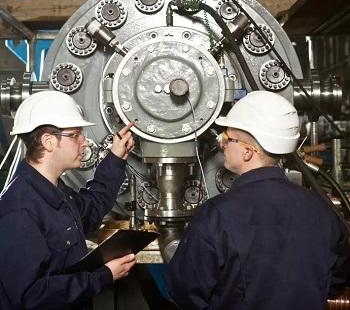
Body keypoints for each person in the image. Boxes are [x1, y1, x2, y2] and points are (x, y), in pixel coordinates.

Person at [166, 90, 350, 310]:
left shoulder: (217, 215)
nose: (223, 144)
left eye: (228, 138)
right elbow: (338, 279)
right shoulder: (321, 209)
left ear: (247, 152)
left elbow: (184, 290)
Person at [0, 90, 136, 309]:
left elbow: (91, 208)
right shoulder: (19, 210)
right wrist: (103, 276)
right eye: (75, 135)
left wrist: (116, 156)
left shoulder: (54, 190)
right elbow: (31, 296)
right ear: (48, 141)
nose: (84, 142)